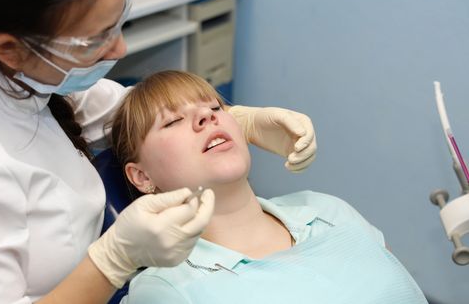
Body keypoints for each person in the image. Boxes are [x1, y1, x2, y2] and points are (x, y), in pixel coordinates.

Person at [0, 0, 317, 303]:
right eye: (95, 39)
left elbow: (129, 110)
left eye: (119, 18)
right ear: (10, 49)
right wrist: (112, 262)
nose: (120, 48)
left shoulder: (37, 76)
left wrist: (243, 119)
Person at [110, 70, 428, 304]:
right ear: (142, 177)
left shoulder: (326, 211)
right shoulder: (167, 288)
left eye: (216, 108)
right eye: (173, 121)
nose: (207, 117)